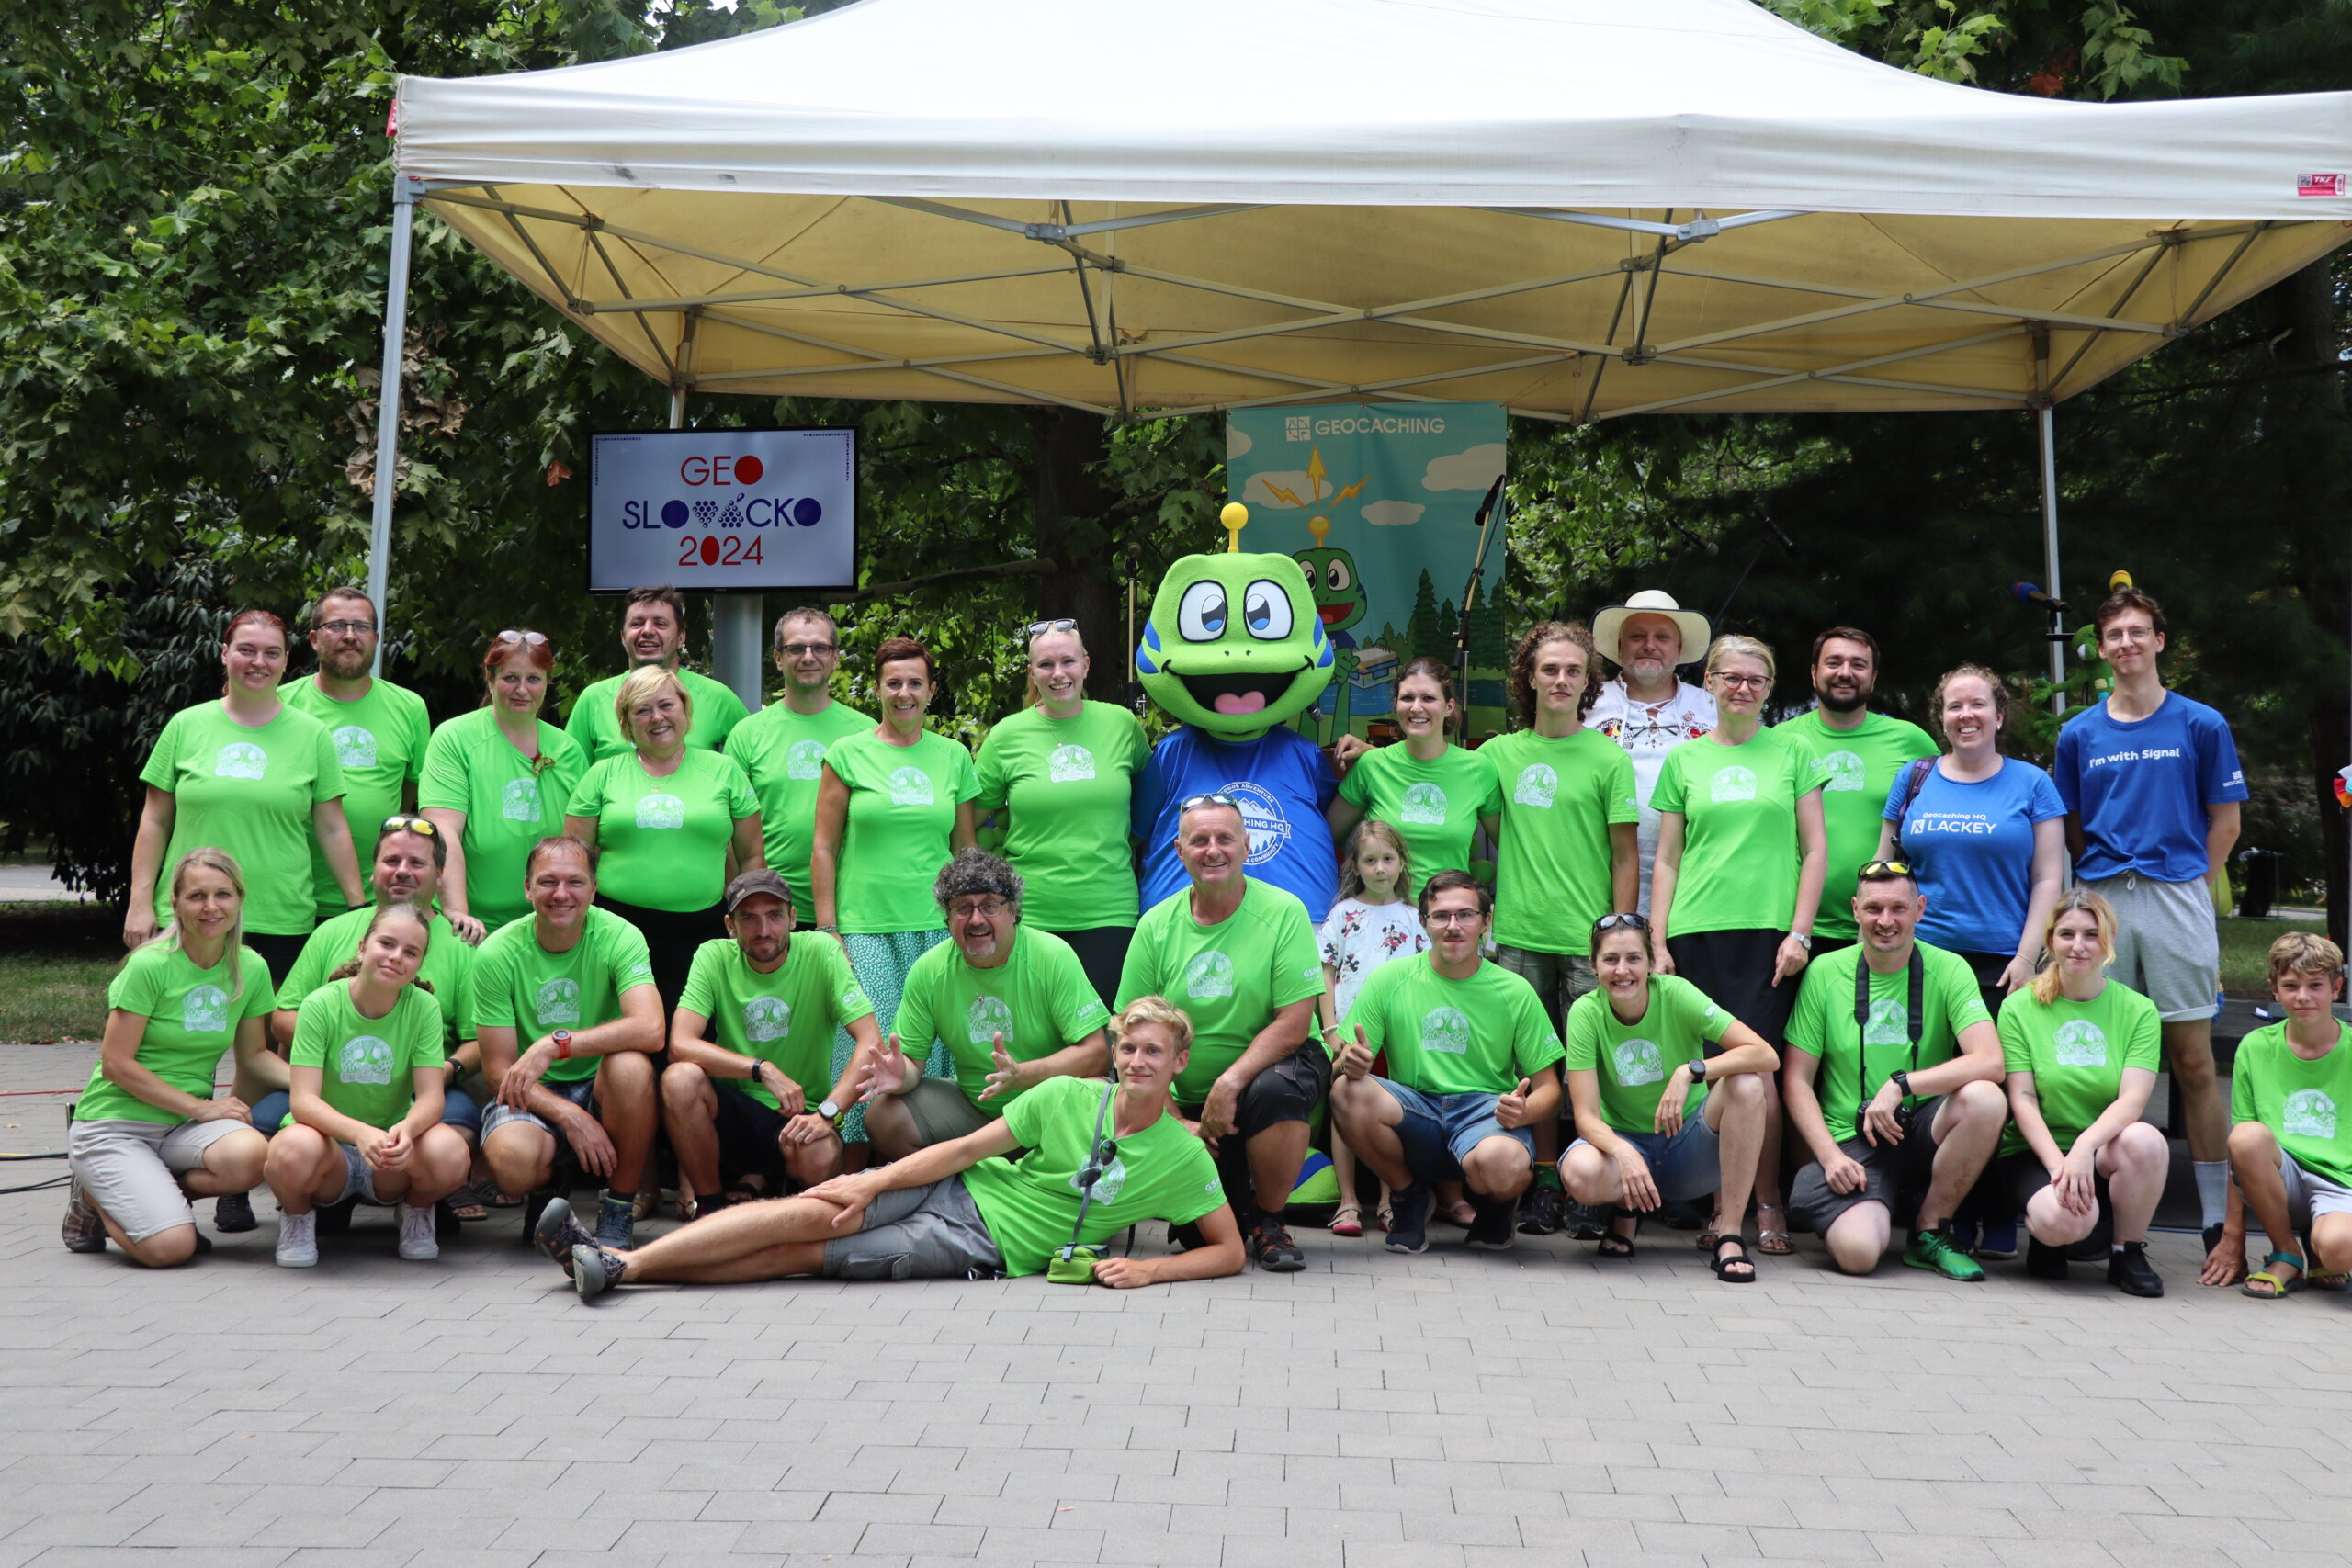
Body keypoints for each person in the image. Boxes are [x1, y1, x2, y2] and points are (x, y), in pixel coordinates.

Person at [534, 996, 1244, 1300]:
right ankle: (620, 1263)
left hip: (978, 1245)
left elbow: (1228, 1251)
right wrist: (872, 1180)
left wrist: (1149, 1270)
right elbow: (963, 1149)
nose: (1137, 1060)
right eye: (1128, 1047)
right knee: (810, 1209)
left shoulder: (1184, 1157)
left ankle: (621, 1267)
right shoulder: (1066, 1095)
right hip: (958, 1187)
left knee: (796, 1255)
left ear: (1179, 1063)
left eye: (1154, 1051)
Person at [2052, 584, 2247, 1266]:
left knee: (2192, 1059)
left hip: (2176, 895)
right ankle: (2093, 1208)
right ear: (2102, 649)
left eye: (2138, 631)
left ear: (2159, 641)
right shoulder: (2078, 734)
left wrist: (2189, 881)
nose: (2127, 643)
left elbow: (2226, 823)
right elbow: (2072, 825)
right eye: (2115, 635)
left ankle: (2216, 1216)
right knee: (2096, 1055)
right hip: (2103, 896)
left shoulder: (2201, 724)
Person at [1648, 635, 1826, 1254]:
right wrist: (1657, 938)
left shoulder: (1794, 752)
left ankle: (1766, 1199)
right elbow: (1667, 859)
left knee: (1758, 1067)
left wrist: (1800, 932)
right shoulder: (1684, 759)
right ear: (1711, 682)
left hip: (1767, 935)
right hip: (1694, 933)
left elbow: (1815, 850)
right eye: (1731, 677)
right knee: (1713, 1074)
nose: (1742, 688)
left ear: (1769, 688)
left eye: (1756, 679)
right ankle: (1723, 1206)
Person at [1115, 794, 1326, 1271]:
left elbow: (1294, 1023)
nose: (1213, 850)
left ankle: (1270, 1220)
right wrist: (1175, 1120)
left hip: (1269, 1072)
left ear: (1247, 846)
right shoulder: (1155, 925)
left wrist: (1229, 1084)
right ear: (1179, 851)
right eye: (1200, 840)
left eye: (1225, 838)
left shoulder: (1285, 911)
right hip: (1188, 1098)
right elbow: (1131, 1030)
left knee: (1276, 1090)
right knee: (1195, 1238)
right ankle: (1238, 1196)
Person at [1480, 622, 1640, 1237]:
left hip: (1585, 942)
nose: (1561, 680)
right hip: (1520, 935)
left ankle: (1592, 1186)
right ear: (1528, 677)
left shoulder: (1608, 757)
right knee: (1533, 1068)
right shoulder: (1498, 755)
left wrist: (1620, 938)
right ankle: (1546, 1181)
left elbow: (1625, 855)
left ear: (1588, 681)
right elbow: (1440, 775)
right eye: (1549, 669)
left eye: (1574, 670)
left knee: (1591, 1066)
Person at [251, 815, 487, 1225]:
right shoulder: (331, 932)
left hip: (420, 1086)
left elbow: (480, 1038)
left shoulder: (460, 945)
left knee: (456, 1131)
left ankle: (419, 1201)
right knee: (261, 1132)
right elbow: (282, 1019)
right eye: (391, 860)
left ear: (440, 875)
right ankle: (327, 1195)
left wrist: (445, 1070)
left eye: (416, 863)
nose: (402, 871)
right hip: (328, 1085)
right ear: (374, 869)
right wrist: (334, 1041)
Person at [1782, 861, 2007, 1279]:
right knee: (1858, 1254)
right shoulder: (1825, 971)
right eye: (1873, 909)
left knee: (1986, 1099)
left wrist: (1901, 1085)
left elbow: (1990, 1061)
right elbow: (1796, 1080)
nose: (1885, 921)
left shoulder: (1950, 967)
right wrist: (1829, 1157)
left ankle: (1929, 1231)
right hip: (1852, 1138)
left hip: (1924, 1128)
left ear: (1919, 909)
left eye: (1898, 908)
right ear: (1855, 910)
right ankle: (1865, 1206)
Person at [63, 849, 279, 1266]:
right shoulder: (149, 965)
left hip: (181, 1127)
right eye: (197, 896)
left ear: (239, 899)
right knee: (172, 1249)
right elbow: (117, 1064)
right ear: (175, 904)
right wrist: (201, 1108)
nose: (211, 907)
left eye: (223, 894)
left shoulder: (250, 967)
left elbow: (254, 1055)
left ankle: (138, 1195)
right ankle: (93, 1196)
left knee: (252, 1156)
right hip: (116, 1125)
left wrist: (316, 1087)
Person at [1329, 870, 1565, 1254]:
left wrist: (1524, 1112)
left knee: (1505, 1163)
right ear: (1424, 923)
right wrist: (1348, 1064)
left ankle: (1497, 1209)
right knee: (1346, 1091)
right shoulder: (1390, 979)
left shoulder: (1515, 990)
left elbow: (1551, 1090)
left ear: (1486, 922)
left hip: (1485, 1115)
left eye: (1466, 915)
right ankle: (1408, 1196)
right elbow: (1340, 1064)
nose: (1453, 926)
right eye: (1441, 916)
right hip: (1415, 1110)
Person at [127, 608, 365, 982]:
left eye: (272, 652)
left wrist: (358, 910)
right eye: (247, 650)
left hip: (280, 916)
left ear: (286, 661)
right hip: (190, 913)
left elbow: (332, 828)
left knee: (271, 1023)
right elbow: (154, 820)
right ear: (225, 654)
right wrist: (139, 902)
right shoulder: (185, 726)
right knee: (180, 1019)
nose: (259, 662)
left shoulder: (313, 734)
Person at [809, 635, 979, 1145]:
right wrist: (828, 929)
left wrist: (975, 922)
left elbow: (966, 850)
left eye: (915, 683)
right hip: (866, 928)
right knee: (871, 1052)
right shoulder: (847, 754)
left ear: (931, 690)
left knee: (936, 1054)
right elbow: (823, 848)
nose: (904, 693)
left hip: (939, 930)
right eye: (894, 683)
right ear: (878, 689)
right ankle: (854, 1167)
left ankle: (932, 1166)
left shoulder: (954, 756)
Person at [1561, 912, 1780, 1283]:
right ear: (1593, 965)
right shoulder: (1586, 1011)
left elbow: (1765, 1055)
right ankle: (1626, 1214)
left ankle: (1729, 1235)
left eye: (1633, 958)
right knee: (1579, 1171)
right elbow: (1585, 1118)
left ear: (1651, 962)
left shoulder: (1677, 993)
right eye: (1610, 959)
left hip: (1688, 1147)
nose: (1622, 970)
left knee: (1748, 1084)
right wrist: (1623, 1151)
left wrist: (1691, 1070)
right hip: (1628, 1149)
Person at [473, 836, 664, 1247]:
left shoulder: (620, 935)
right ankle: (548, 1190)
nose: (561, 894)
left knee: (631, 1067)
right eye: (548, 882)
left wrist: (555, 1044)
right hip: (533, 1087)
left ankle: (618, 1208)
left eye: (575, 882)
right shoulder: (496, 953)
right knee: (511, 1164)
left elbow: (651, 1028)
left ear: (594, 889)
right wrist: (571, 1116)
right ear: (527, 888)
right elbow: (497, 1071)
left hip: (600, 1083)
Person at [860, 849, 1112, 1157]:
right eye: (962, 908)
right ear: (947, 918)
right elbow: (912, 1062)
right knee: (884, 1117)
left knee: (1099, 1095)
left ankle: (1036, 1177)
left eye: (990, 905)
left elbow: (1097, 1054)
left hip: (1051, 1111)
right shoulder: (929, 970)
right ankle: (961, 1184)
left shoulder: (1052, 956)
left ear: (1013, 911)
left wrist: (1022, 1075)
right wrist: (902, 1075)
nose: (976, 919)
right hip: (976, 1111)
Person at [662, 870, 885, 1213]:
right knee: (679, 1078)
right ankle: (710, 1208)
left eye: (774, 916)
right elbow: (679, 1044)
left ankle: (786, 1202)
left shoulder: (821, 951)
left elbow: (872, 1041)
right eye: (749, 918)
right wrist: (761, 1069)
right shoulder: (713, 955)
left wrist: (827, 1114)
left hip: (802, 1112)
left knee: (820, 1156)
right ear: (730, 925)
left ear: (793, 918)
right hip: (734, 1110)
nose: (764, 930)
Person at [265, 904, 471, 1266]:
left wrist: (407, 1130)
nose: (396, 957)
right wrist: (360, 1133)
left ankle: (416, 1211)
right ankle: (297, 1218)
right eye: (386, 944)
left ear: (419, 964)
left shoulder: (424, 1007)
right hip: (329, 1151)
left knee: (451, 1152)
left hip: (388, 1156)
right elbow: (303, 1102)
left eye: (410, 952)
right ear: (362, 947)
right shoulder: (319, 1005)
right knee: (290, 1148)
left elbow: (430, 1097)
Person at [1994, 891, 2166, 1295]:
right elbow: (2022, 1099)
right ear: (2050, 940)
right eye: (2067, 934)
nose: (2078, 945)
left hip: (2101, 1149)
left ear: (2109, 940)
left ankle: (2126, 1252)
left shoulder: (2139, 1010)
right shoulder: (2018, 1007)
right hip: (2036, 1152)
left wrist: (2086, 1147)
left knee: (2146, 1140)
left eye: (2091, 934)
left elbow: (2132, 1100)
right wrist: (2060, 1167)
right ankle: (2051, 1238)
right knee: (2066, 1223)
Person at [564, 664, 763, 1011]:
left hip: (704, 931)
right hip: (616, 932)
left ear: (685, 709)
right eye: (642, 710)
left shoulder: (724, 770)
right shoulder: (601, 775)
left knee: (694, 1036)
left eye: (666, 705)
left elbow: (751, 857)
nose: (657, 717)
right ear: (626, 722)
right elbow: (573, 861)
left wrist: (748, 917)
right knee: (627, 1035)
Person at [975, 620, 1150, 1005]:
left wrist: (1129, 839)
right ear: (1031, 672)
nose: (1058, 674)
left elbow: (1150, 803)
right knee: (1032, 1033)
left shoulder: (1122, 725)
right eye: (1046, 664)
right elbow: (969, 821)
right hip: (1028, 914)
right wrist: (987, 888)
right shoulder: (1006, 736)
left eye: (1068, 661)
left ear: (1085, 665)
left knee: (1103, 1034)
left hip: (1109, 910)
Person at [1878, 665, 2066, 1012]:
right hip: (1920, 956)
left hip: (2004, 965)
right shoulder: (1914, 777)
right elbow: (1883, 869)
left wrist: (2027, 959)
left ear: (1999, 716)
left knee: (1995, 1050)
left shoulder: (2034, 783)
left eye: (1978, 704)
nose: (1966, 715)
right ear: (1942, 718)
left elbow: (2048, 879)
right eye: (1955, 706)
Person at [418, 629, 590, 936]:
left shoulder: (569, 751)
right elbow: (443, 830)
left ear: (547, 682)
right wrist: (458, 914)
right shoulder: (455, 738)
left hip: (546, 925)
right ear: (490, 679)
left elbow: (580, 845)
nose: (522, 689)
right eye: (510, 678)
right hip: (472, 925)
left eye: (533, 679)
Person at [1776, 628, 1935, 956]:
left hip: (1884, 926)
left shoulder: (1910, 741)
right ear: (1814, 673)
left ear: (1873, 678)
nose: (1845, 673)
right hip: (1793, 928)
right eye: (1833, 662)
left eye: (1858, 664)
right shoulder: (1781, 741)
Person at [280, 586, 433, 927]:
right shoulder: (281, 704)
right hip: (293, 896)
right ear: (315, 639)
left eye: (361, 627)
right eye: (336, 625)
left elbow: (411, 793)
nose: (350, 635)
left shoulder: (410, 708)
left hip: (381, 898)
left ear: (376, 638)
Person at [2221, 932, 2352, 1301]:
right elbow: (2238, 1154)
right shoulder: (2255, 1047)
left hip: (2340, 1182)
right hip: (2282, 1180)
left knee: (2340, 1250)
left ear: (2336, 988)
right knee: (2246, 1136)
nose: (2303, 997)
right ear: (2274, 990)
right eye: (2291, 986)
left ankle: (2322, 1247)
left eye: (2315, 985)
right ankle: (2286, 1252)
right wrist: (2232, 1234)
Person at [1315, 819, 1428, 1236]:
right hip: (1351, 1033)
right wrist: (1331, 1028)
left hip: (1399, 1036)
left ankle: (1388, 1200)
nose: (1380, 868)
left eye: (1388, 859)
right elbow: (1325, 970)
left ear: (1402, 863)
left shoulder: (1415, 918)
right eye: (1370, 860)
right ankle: (1348, 1201)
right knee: (1344, 1106)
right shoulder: (1343, 914)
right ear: (1355, 866)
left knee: (1391, 1115)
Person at [724, 606, 872, 923]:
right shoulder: (747, 734)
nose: (808, 657)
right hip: (769, 910)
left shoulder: (866, 732)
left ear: (836, 657)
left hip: (850, 908)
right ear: (778, 658)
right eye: (795, 648)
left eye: (820, 647)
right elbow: (730, 834)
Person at [1587, 590, 1717, 916]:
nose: (1649, 645)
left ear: (1679, 648)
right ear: (1620, 646)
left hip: (1694, 882)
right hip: (1601, 878)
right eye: (1637, 636)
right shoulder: (1587, 705)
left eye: (1662, 637)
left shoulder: (1711, 708)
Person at [1327, 658, 1500, 897]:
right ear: (1396, 703)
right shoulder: (1372, 765)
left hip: (1448, 913)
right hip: (1385, 913)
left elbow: (1509, 849)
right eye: (1407, 698)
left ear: (1449, 706)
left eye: (1428, 698)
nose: (1416, 707)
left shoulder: (1479, 770)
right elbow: (1327, 836)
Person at [566, 584, 748, 762]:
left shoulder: (717, 698)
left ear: (681, 637)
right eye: (637, 623)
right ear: (622, 637)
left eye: (660, 623)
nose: (647, 631)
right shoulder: (593, 699)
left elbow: (754, 758)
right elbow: (570, 771)